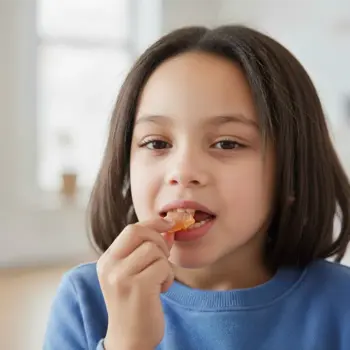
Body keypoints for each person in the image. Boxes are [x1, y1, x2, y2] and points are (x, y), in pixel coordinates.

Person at [43, 25, 350, 350]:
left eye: (227, 144)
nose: (183, 172)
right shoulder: (86, 302)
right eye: (157, 142)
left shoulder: (341, 307)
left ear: (293, 172)